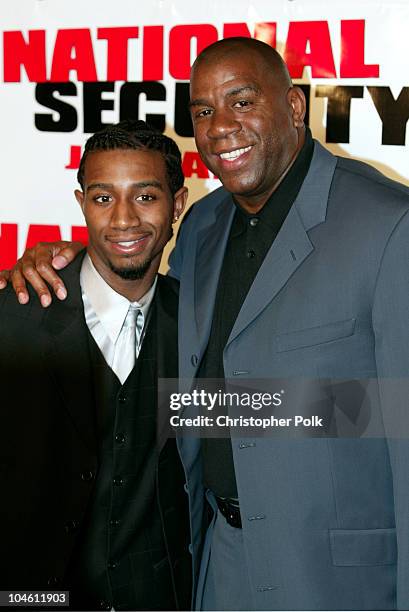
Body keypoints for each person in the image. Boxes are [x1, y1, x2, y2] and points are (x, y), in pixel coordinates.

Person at [3, 37, 409, 610]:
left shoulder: (390, 225)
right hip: (217, 565)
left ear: (294, 106)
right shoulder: (202, 226)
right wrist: (68, 262)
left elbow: (397, 411)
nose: (219, 126)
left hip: (333, 578)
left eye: (241, 101)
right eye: (202, 111)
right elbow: (140, 286)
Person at [0, 120, 191, 611]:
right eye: (104, 198)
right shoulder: (13, 313)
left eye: (146, 196)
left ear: (179, 203)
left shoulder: (200, 321)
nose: (124, 219)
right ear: (82, 202)